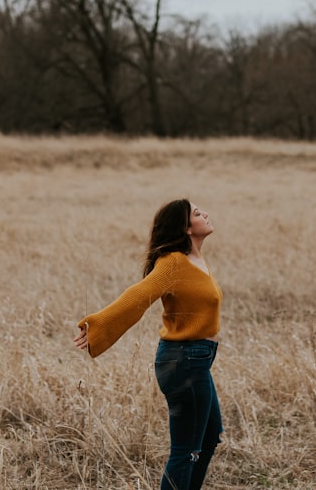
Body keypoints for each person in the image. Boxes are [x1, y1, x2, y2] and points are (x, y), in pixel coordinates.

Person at [73, 198, 223, 490]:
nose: (205, 213)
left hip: (196, 360)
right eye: (196, 212)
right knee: (186, 450)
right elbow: (138, 296)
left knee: (209, 437)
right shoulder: (173, 263)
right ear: (185, 227)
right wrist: (99, 323)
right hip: (184, 361)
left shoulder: (195, 260)